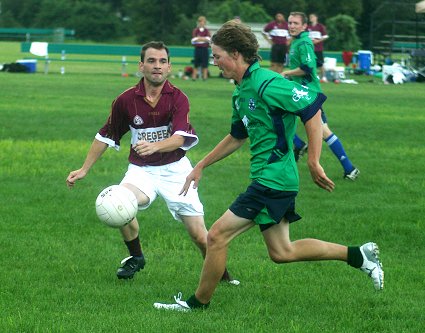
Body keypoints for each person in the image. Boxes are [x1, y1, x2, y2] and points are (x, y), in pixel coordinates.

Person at [153, 22, 384, 312]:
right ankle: (358, 255)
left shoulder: (267, 82)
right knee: (282, 252)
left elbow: (311, 111)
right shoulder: (241, 91)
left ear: (235, 54)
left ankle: (196, 304)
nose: (214, 62)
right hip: (271, 178)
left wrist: (313, 160)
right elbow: (238, 136)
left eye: (217, 55)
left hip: (273, 178)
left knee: (216, 236)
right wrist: (201, 164)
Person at [66, 41, 238, 284]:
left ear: (169, 67)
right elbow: (106, 134)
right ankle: (136, 257)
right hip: (141, 171)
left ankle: (222, 276)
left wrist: (155, 146)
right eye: (151, 61)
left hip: (176, 171)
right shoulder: (125, 100)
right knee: (118, 200)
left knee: (200, 236)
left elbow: (180, 138)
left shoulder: (178, 98)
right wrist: (84, 169)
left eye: (162, 61)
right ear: (141, 66)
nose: (157, 66)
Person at [281, 12, 359, 180]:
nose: (292, 26)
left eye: (295, 23)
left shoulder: (304, 43)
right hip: (300, 93)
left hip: (309, 94)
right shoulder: (296, 42)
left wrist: (286, 72)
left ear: (304, 26)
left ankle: (349, 168)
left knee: (323, 131)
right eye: (290, 23)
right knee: (276, 115)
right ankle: (299, 145)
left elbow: (308, 68)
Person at [308, 13, 329, 82]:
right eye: (310, 17)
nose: (311, 18)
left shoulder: (320, 26)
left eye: (312, 17)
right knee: (311, 63)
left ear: (316, 18)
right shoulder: (308, 27)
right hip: (310, 48)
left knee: (320, 64)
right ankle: (313, 77)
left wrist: (318, 41)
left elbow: (325, 36)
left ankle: (324, 77)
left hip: (318, 48)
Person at [191, 16, 211, 81]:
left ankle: (204, 77)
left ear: (204, 23)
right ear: (198, 22)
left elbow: (209, 39)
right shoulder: (195, 30)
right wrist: (203, 39)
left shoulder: (207, 31)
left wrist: (199, 38)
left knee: (205, 64)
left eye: (203, 22)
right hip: (197, 49)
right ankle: (194, 77)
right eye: (200, 22)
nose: (201, 23)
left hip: (205, 49)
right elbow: (193, 40)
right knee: (196, 64)